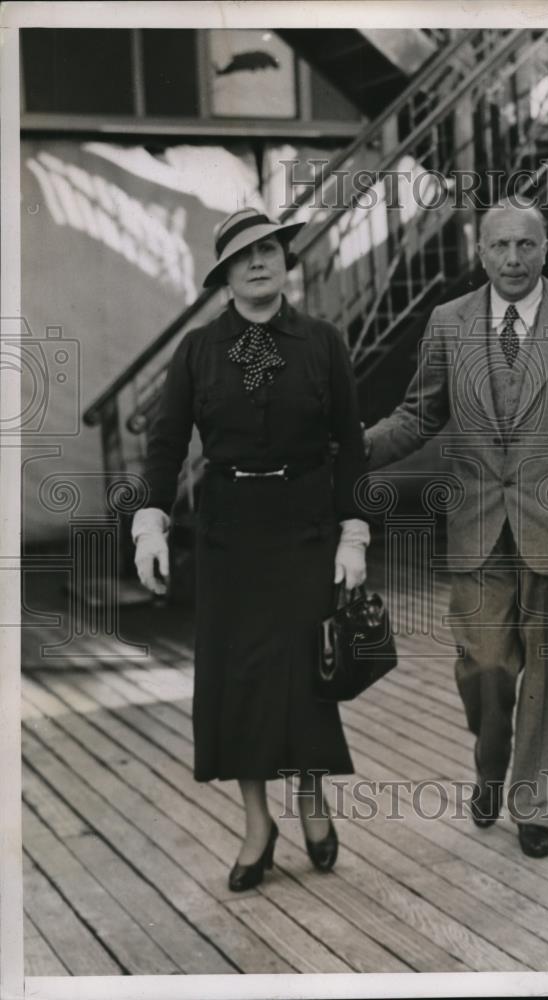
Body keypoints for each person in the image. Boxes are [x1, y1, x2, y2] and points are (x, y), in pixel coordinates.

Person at [365, 201, 548, 857]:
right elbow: (416, 415)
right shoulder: (447, 322)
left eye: (524, 245)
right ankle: (491, 764)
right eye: (499, 247)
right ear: (479, 252)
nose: (512, 259)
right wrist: (348, 450)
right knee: (484, 668)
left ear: (544, 249)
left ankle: (535, 807)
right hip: (476, 530)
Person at [131, 208, 370, 889]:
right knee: (237, 681)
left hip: (304, 526)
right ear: (225, 275)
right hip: (228, 533)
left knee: (303, 671)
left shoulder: (323, 343)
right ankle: (256, 821)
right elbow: (165, 445)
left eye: (268, 250)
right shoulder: (199, 351)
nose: (258, 262)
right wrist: (150, 524)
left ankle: (311, 798)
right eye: (243, 256)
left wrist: (353, 533)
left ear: (284, 261)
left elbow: (349, 448)